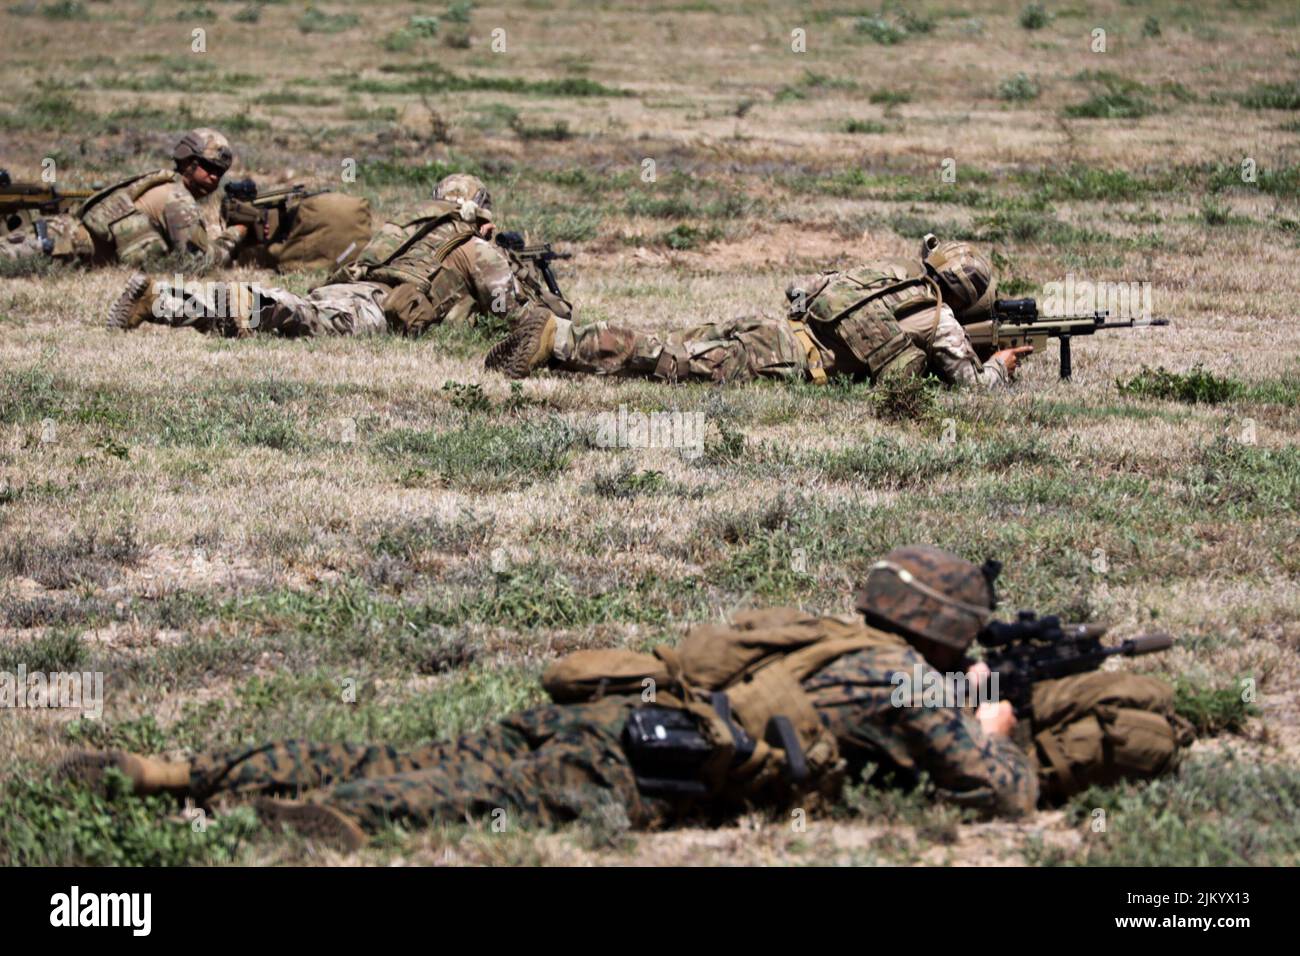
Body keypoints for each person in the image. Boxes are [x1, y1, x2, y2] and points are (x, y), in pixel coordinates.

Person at [59, 545, 1190, 850]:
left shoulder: (828, 636)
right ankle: (336, 826)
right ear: (944, 633)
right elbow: (999, 803)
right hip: (649, 762)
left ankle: (181, 770)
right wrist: (991, 729)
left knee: (449, 746)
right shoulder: (906, 681)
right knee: (460, 792)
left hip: (616, 705)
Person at [485, 234, 1032, 386]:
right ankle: (557, 338)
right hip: (786, 359)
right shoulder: (941, 321)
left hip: (774, 328)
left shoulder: (887, 277)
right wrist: (999, 369)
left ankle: (552, 356)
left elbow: (805, 289)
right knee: (668, 358)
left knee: (673, 343)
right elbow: (968, 385)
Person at [105, 173, 559, 338]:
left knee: (293, 310)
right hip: (373, 309)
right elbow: (511, 315)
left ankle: (164, 300)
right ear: (482, 218)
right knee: (288, 313)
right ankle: (160, 300)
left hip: (352, 287)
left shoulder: (403, 229)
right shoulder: (476, 248)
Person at [1, 128, 247, 269]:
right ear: (187, 162)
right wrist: (235, 233)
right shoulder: (177, 199)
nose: (214, 177)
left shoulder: (164, 183)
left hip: (57, 239)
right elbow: (199, 265)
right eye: (207, 167)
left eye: (219, 172)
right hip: (58, 248)